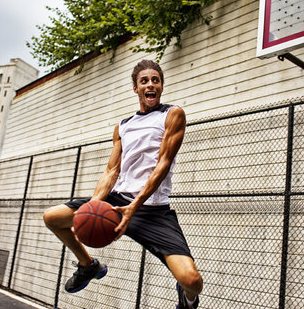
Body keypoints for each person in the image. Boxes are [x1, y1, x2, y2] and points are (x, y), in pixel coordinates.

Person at [43, 59, 203, 309]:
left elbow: (163, 163)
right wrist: (94, 206)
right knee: (53, 217)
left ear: (161, 86)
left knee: (192, 280)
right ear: (135, 88)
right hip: (115, 202)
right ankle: (88, 266)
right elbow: (112, 170)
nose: (151, 84)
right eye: (144, 81)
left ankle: (188, 301)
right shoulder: (123, 125)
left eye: (155, 80)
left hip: (152, 210)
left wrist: (134, 207)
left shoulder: (172, 114)